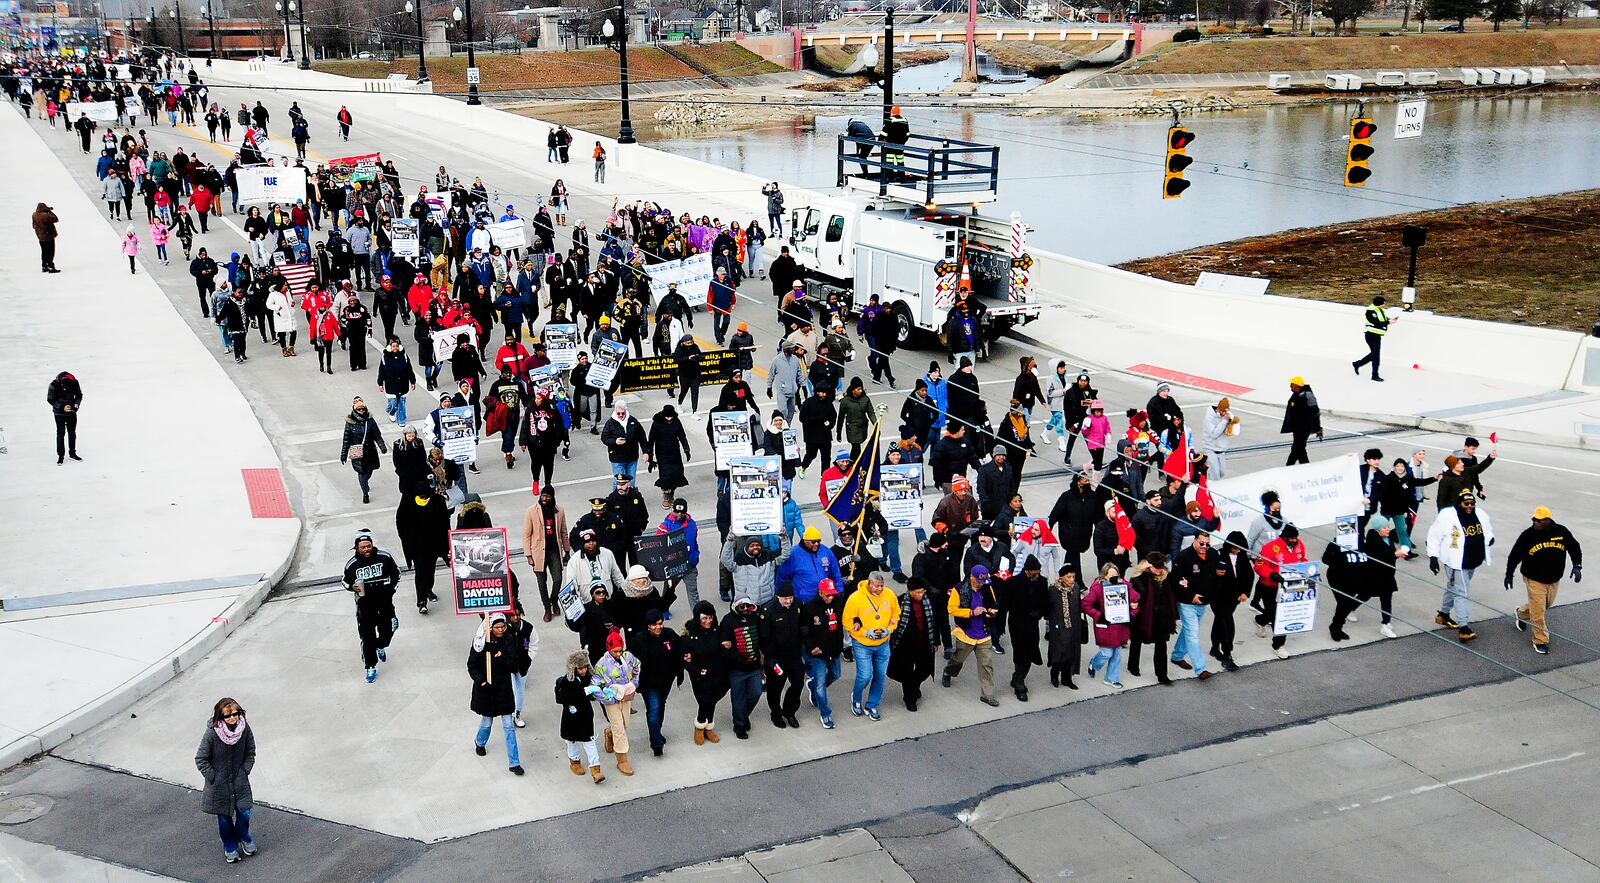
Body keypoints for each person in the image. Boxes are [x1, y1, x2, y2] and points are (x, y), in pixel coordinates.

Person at [1503, 506, 1583, 655]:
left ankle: (1521, 613)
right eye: (1534, 519)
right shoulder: (1527, 535)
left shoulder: (1561, 532)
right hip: (1534, 578)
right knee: (1539, 611)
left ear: (1547, 520)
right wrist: (1509, 574)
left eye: (1538, 520)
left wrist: (1577, 566)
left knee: (1545, 605)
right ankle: (1540, 640)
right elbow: (1514, 555)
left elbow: (1574, 547)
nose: (1535, 522)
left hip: (1553, 579)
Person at [195, 697, 257, 864]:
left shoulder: (244, 729)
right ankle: (230, 846)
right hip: (219, 786)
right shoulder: (212, 734)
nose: (232, 718)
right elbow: (201, 759)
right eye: (227, 715)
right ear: (219, 717)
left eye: (235, 714)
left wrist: (245, 770)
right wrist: (213, 777)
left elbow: (250, 752)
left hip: (240, 782)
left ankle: (244, 836)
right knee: (225, 819)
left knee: (245, 813)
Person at [468, 613, 525, 776]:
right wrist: (481, 680)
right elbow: (471, 665)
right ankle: (480, 742)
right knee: (487, 721)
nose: (501, 630)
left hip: (503, 689)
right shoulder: (480, 642)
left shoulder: (508, 639)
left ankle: (514, 763)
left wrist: (499, 655)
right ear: (490, 628)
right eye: (497, 627)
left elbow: (513, 663)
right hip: (486, 689)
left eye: (503, 627)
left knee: (508, 726)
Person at [342, 529, 401, 683]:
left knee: (390, 628)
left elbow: (397, 574)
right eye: (363, 547)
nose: (367, 549)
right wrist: (351, 587)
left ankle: (380, 645)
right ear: (357, 548)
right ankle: (370, 666)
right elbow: (344, 581)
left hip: (385, 603)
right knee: (367, 637)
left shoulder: (384, 557)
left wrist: (391, 591)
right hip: (365, 607)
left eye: (368, 546)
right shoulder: (352, 565)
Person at [843, 572, 900, 720]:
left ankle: (872, 704)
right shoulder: (855, 598)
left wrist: (889, 629)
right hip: (862, 644)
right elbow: (847, 621)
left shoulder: (889, 595)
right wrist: (864, 632)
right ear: (869, 583)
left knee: (880, 675)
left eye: (882, 586)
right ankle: (856, 699)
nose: (880, 589)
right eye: (877, 586)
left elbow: (896, 614)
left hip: (883, 643)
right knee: (865, 675)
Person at [943, 565, 999, 706]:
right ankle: (948, 672)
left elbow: (993, 604)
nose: (982, 585)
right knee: (958, 659)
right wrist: (971, 612)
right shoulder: (959, 589)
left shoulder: (987, 587)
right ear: (972, 577)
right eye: (980, 582)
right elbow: (952, 609)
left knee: (986, 664)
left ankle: (988, 695)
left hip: (983, 633)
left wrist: (991, 611)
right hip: (966, 632)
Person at [1253, 523, 1308, 657]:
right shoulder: (1270, 547)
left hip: (1290, 587)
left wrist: (1310, 571)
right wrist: (1271, 574)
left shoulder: (1300, 545)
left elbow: (1302, 559)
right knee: (1277, 616)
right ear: (1284, 537)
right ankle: (1278, 646)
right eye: (1292, 538)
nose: (1295, 541)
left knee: (1281, 615)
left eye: (1296, 538)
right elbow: (1259, 564)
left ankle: (1260, 620)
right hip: (1270, 587)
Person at [1169, 534, 1218, 681]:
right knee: (1193, 635)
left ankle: (1177, 655)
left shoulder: (1212, 554)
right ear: (1195, 541)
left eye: (1207, 544)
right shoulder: (1182, 558)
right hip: (1187, 603)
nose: (1204, 547)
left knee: (1189, 630)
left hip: (1203, 602)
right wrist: (1191, 596)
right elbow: (1176, 581)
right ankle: (1200, 668)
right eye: (1201, 543)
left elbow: (1216, 575)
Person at [634, 609, 683, 756]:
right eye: (653, 625)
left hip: (666, 681)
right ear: (648, 626)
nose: (658, 627)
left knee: (661, 707)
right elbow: (629, 660)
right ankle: (656, 744)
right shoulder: (639, 640)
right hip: (649, 685)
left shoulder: (669, 635)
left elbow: (681, 647)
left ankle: (656, 732)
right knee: (654, 711)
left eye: (660, 624)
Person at [396, 480, 450, 613]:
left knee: (430, 571)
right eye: (422, 495)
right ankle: (421, 601)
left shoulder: (438, 501)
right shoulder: (407, 503)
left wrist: (446, 544)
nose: (424, 497)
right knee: (420, 572)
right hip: (416, 546)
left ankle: (428, 590)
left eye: (426, 495)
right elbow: (400, 522)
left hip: (433, 544)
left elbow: (444, 523)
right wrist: (405, 538)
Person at [592, 629, 640, 776]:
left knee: (625, 724)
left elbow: (637, 666)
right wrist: (608, 698)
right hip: (611, 700)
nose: (618, 654)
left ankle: (609, 733)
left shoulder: (628, 657)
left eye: (620, 650)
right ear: (609, 649)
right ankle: (622, 760)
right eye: (615, 651)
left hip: (626, 696)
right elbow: (595, 686)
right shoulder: (601, 665)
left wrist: (635, 684)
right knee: (619, 728)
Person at [759, 584, 807, 728]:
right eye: (785, 598)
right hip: (775, 657)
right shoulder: (767, 611)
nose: (788, 601)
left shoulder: (797, 605)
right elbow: (763, 638)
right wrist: (769, 658)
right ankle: (776, 713)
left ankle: (789, 712)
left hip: (793, 654)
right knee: (775, 687)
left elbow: (803, 621)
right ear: (778, 597)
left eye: (790, 597)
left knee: (798, 683)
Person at [522, 483, 571, 622]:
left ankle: (553, 599)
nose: (544, 498)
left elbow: (563, 532)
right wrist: (528, 555)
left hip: (554, 550)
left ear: (552, 497)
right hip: (538, 552)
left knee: (558, 579)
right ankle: (547, 608)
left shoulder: (559, 510)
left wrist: (567, 550)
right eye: (543, 495)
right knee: (541, 582)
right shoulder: (531, 511)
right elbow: (526, 534)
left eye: (547, 496)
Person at [1083, 563, 1137, 689]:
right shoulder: (1097, 588)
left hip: (1120, 626)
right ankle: (1094, 663)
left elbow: (1136, 600)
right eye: (1111, 574)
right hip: (1105, 626)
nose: (1114, 577)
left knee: (1116, 654)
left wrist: (1132, 611)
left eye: (1116, 574)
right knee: (1107, 653)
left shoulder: (1125, 586)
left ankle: (1111, 679)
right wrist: (1098, 615)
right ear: (1104, 575)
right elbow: (1085, 604)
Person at [683, 600, 730, 744]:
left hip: (717, 673)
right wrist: (698, 671)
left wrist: (726, 645)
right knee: (705, 701)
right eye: (704, 618)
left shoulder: (717, 631)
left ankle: (708, 726)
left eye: (710, 618)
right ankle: (700, 725)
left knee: (713, 700)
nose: (708, 621)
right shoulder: (690, 635)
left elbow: (722, 648)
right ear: (698, 618)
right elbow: (685, 660)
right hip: (700, 676)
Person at [1004, 555, 1049, 701]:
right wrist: (999, 626)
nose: (1037, 576)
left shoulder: (1042, 582)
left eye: (1038, 572)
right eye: (1034, 573)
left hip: (1032, 623)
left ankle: (1018, 676)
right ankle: (1019, 683)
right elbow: (1005, 605)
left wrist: (1040, 613)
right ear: (1027, 571)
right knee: (1020, 653)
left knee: (1031, 652)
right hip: (1017, 624)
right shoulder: (1013, 583)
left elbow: (1045, 601)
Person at [556, 650, 605, 783]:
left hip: (585, 716)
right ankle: (574, 761)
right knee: (571, 740)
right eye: (580, 668)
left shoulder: (589, 678)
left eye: (584, 667)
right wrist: (586, 691)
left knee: (589, 741)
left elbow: (596, 689)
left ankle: (596, 770)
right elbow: (568, 697)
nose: (583, 670)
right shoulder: (567, 681)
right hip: (571, 716)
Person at [339, 397, 387, 504]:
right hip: (357, 450)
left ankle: (365, 483)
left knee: (370, 470)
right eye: (359, 409)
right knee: (362, 472)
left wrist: (382, 446)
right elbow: (346, 440)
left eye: (363, 409)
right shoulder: (350, 423)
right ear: (355, 410)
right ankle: (365, 493)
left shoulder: (370, 421)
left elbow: (377, 435)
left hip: (370, 450)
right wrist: (343, 455)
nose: (361, 411)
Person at [1045, 564, 1085, 689]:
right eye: (1069, 577)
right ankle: (1055, 674)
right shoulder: (1053, 590)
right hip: (1058, 626)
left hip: (1074, 625)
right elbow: (1047, 609)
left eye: (1073, 577)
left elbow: (1079, 605)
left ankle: (1067, 678)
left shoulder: (1076, 588)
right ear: (1062, 578)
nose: (1072, 579)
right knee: (1059, 652)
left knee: (1071, 652)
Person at [1281, 376, 1322, 466]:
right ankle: (1301, 467)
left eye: (1292, 384)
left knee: (1298, 448)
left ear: (1297, 385)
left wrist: (1317, 428)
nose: (1290, 385)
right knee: (1298, 448)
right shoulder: (1297, 393)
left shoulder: (1307, 395)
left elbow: (1316, 412)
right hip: (1297, 428)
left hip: (1304, 428)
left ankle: (1291, 467)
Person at [1352, 295, 1394, 382]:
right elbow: (1375, 322)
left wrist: (1390, 320)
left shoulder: (1378, 310)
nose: (1384, 304)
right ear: (1379, 304)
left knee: (1374, 355)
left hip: (1377, 335)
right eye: (1383, 303)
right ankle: (1374, 375)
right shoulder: (1370, 311)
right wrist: (1388, 322)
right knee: (1376, 356)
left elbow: (1382, 320)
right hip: (1371, 335)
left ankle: (1357, 364)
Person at [47, 370, 84, 464]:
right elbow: (50, 399)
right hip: (59, 414)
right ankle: (60, 456)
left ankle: (72, 453)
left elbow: (79, 395)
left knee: (72, 433)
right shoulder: (54, 385)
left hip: (72, 412)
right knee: (60, 433)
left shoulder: (74, 382)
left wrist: (76, 404)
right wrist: (62, 407)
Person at [34, 202, 61, 273]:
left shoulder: (34, 214)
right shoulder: (46, 215)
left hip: (40, 237)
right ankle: (51, 267)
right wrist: (49, 211)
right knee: (50, 252)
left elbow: (34, 226)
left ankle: (44, 266)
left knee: (44, 252)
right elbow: (56, 219)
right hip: (48, 237)